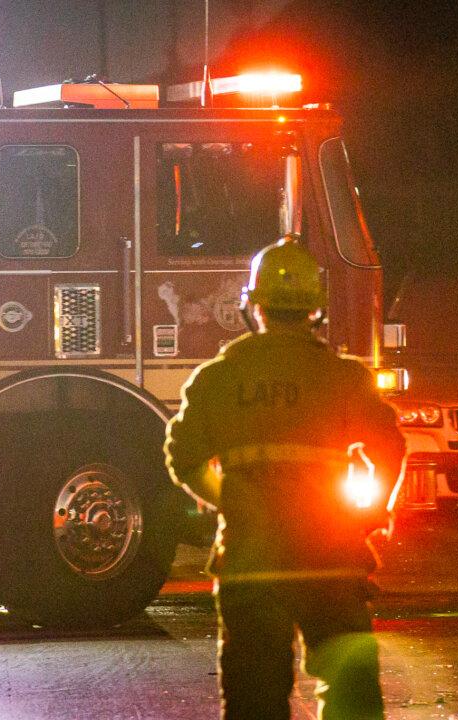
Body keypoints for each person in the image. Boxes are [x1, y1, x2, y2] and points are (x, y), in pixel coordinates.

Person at [164, 236, 406, 720]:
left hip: (253, 564)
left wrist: (231, 500)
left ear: (254, 307)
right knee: (351, 698)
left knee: (255, 701)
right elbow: (390, 447)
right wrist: (370, 511)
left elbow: (183, 457)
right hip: (332, 559)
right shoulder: (344, 378)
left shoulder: (218, 378)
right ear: (315, 309)